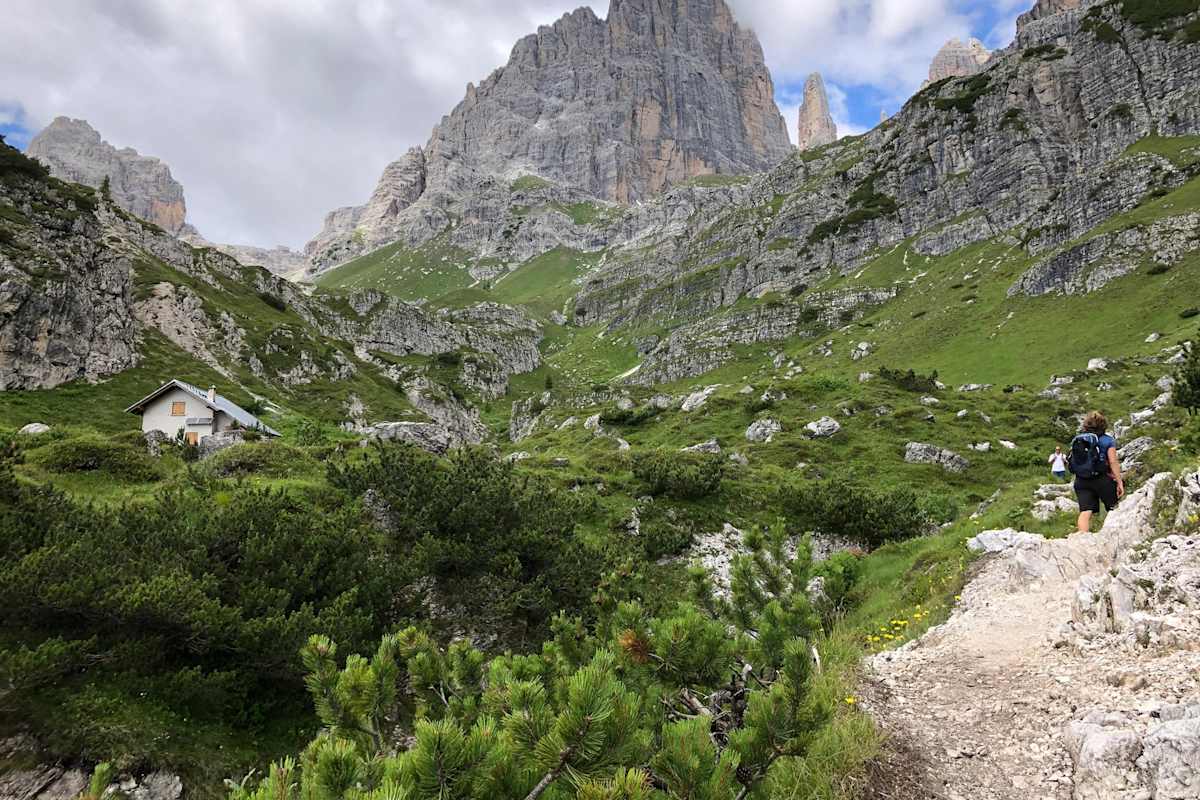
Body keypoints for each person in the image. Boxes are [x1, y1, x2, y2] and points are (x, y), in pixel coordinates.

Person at [1069, 411, 1124, 534]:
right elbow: (1113, 462)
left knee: (1085, 512)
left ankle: (1083, 540)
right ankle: (1112, 536)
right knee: (1113, 509)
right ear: (1104, 425)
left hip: (1081, 480)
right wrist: (1119, 482)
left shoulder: (1079, 439)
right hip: (1102, 480)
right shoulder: (1108, 440)